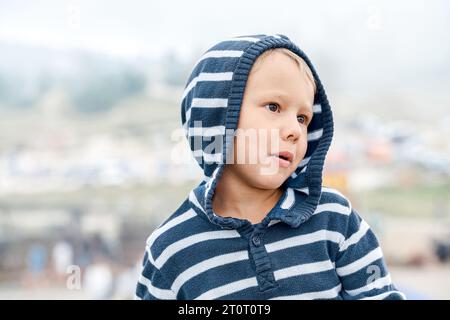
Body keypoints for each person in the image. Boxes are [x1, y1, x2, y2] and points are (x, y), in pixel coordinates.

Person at [135, 34, 406, 300]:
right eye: (274, 107)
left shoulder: (335, 218)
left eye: (302, 118)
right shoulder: (169, 251)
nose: (295, 131)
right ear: (215, 119)